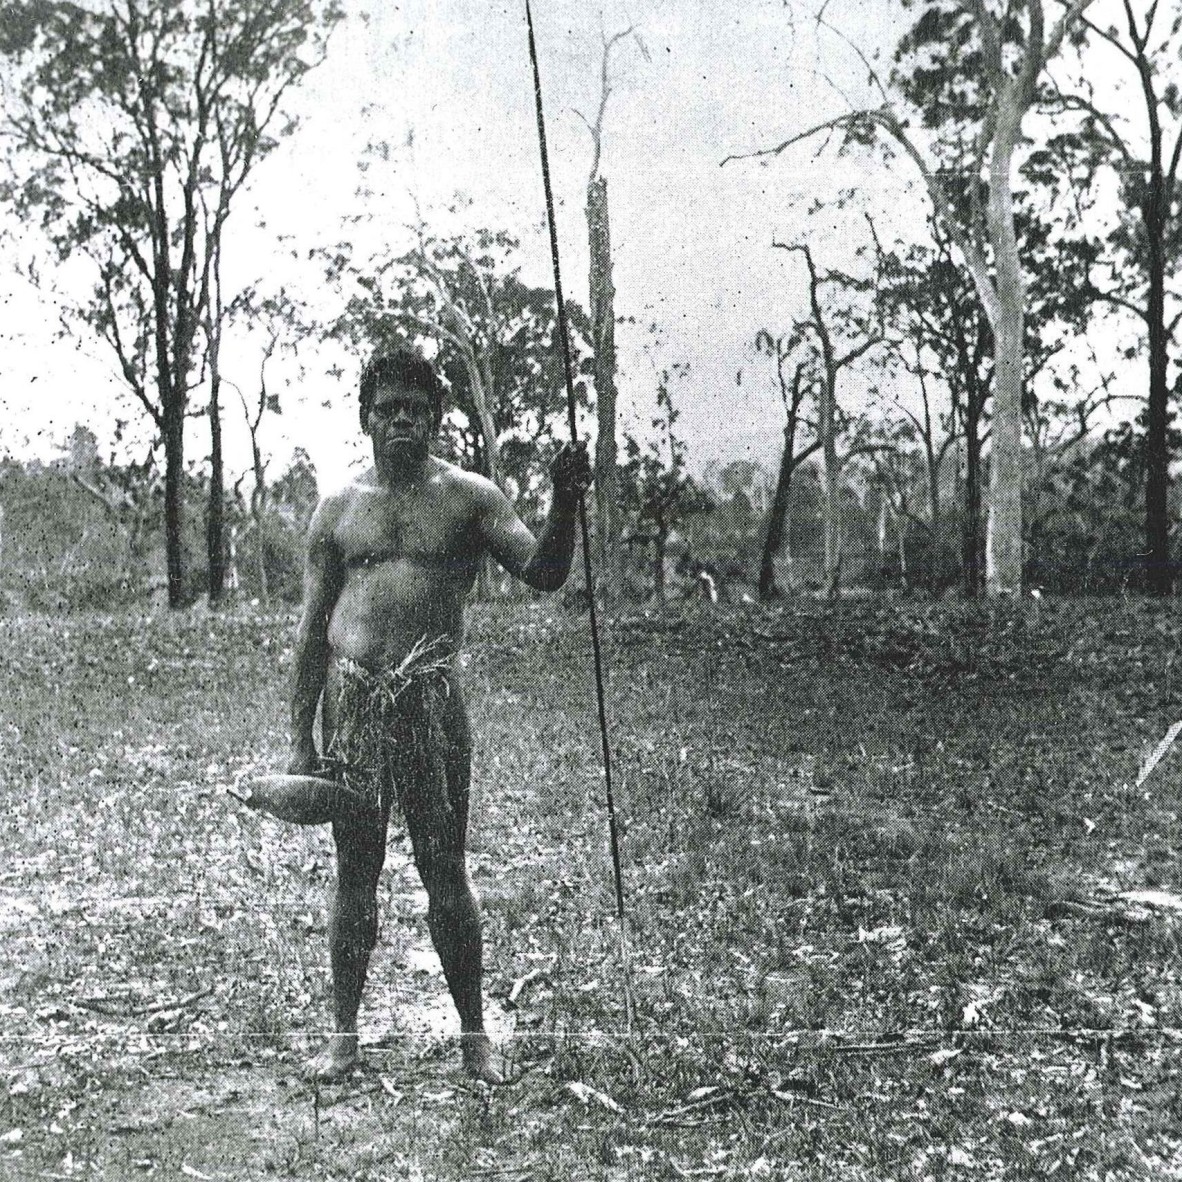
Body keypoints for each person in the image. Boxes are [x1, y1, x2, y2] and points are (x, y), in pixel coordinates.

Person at [286, 348, 591, 1085]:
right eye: (387, 408)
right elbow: (309, 630)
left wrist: (566, 500)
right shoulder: (338, 510)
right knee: (355, 873)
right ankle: (344, 1037)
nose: (401, 421)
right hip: (353, 702)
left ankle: (475, 1037)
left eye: (415, 410)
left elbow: (544, 573)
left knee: (444, 870)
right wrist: (300, 738)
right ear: (366, 418)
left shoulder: (470, 498)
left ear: (435, 419)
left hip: (430, 704)